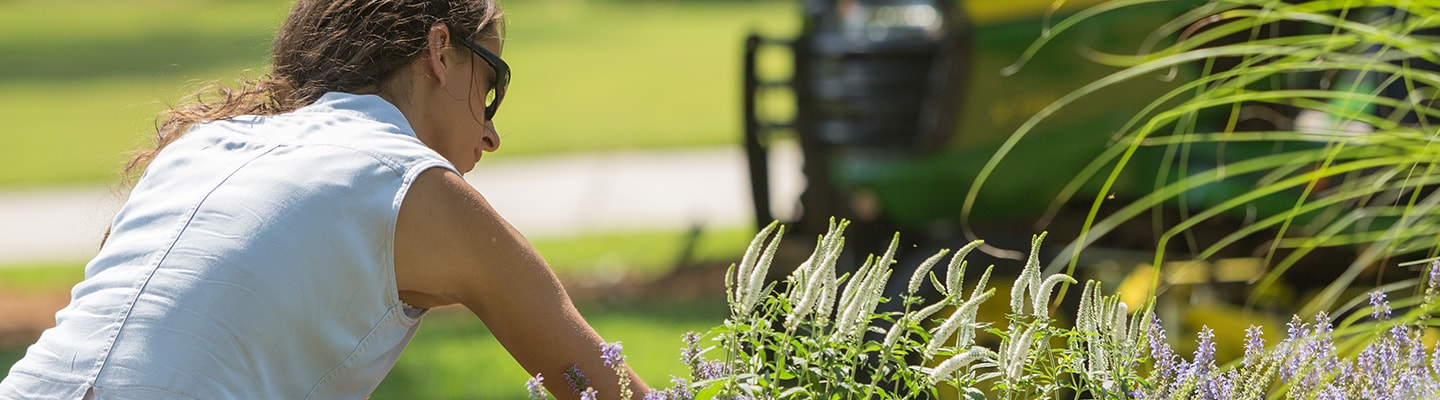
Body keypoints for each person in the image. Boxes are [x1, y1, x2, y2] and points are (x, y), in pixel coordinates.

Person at [0, 0, 648, 398]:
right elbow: (603, 385)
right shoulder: (414, 184)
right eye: (492, 84)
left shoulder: (205, 145)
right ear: (440, 51)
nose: (491, 130)